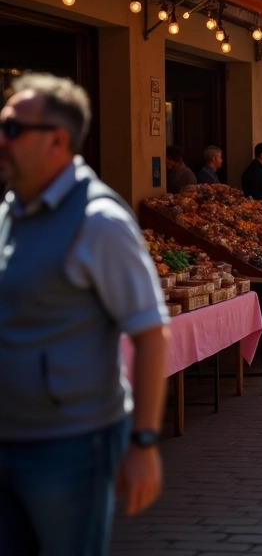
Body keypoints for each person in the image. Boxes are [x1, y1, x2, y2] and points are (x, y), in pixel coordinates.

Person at [0, 73, 170, 553]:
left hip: (70, 446)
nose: (1, 138)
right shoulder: (11, 212)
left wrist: (144, 443)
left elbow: (152, 335)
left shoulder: (100, 222)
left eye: (12, 128)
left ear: (56, 139)